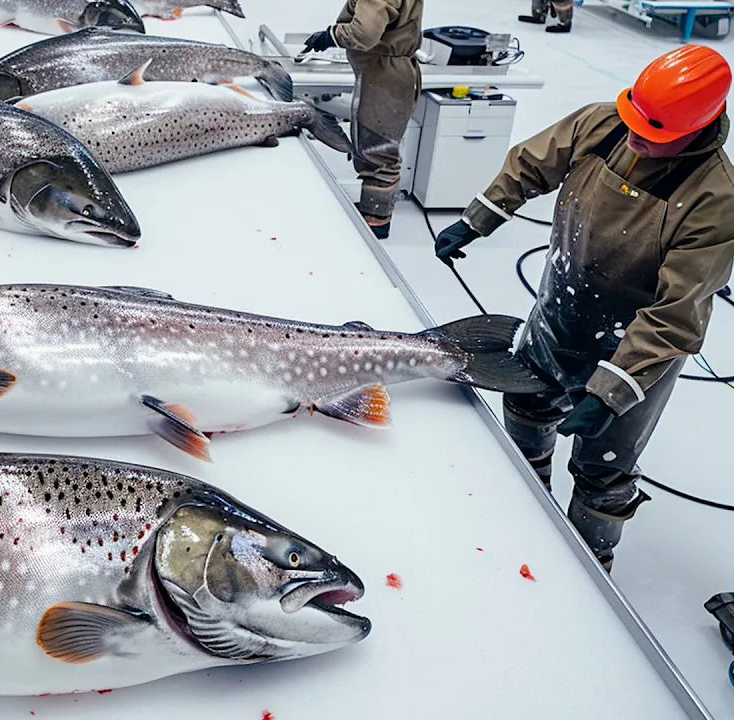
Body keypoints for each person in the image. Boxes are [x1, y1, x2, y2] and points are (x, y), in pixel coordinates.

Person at [434, 45, 734, 570]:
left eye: (653, 135)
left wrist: (613, 390)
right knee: (527, 405)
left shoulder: (716, 201)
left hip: (635, 350)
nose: (636, 139)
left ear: (694, 130)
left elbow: (675, 317)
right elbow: (530, 162)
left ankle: (591, 563)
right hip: (560, 311)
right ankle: (525, 506)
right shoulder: (605, 124)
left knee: (604, 468)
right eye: (634, 123)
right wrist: (478, 218)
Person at [297, 0, 423, 239]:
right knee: (375, 147)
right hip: (386, 66)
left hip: (385, 71)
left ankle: (376, 221)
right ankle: (374, 213)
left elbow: (364, 34)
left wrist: (330, 36)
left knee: (379, 150)